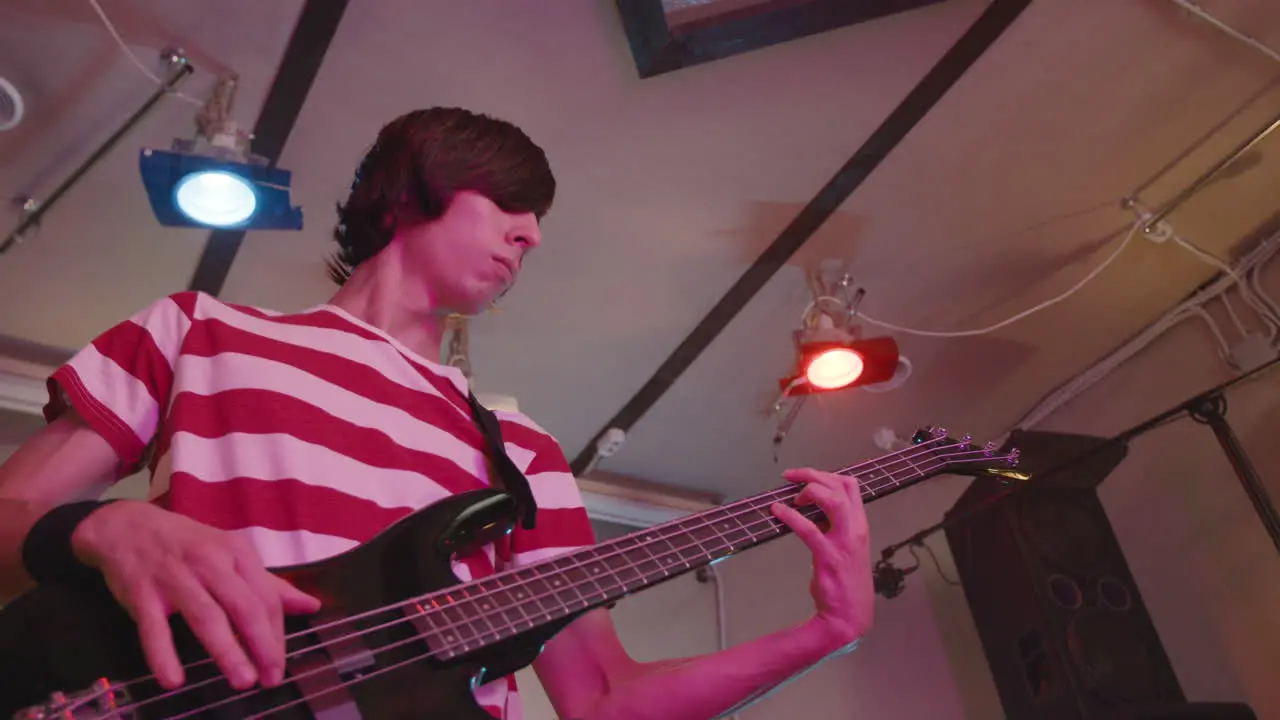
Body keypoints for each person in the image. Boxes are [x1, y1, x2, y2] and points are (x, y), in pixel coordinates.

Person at [0, 107, 874, 720]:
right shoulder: (199, 330)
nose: (531, 235)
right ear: (410, 191)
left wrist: (826, 635)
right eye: (509, 204)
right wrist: (102, 534)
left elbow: (603, 699)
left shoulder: (525, 453)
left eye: (536, 222)